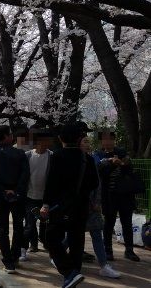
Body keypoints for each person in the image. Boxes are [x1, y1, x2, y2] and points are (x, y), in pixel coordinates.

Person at [41, 122, 99, 288]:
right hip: (81, 207)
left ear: (60, 138)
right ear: (80, 138)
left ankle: (69, 273)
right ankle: (73, 275)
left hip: (60, 206)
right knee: (76, 241)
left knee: (51, 238)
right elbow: (95, 183)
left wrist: (46, 204)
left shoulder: (57, 156)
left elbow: (51, 183)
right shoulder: (86, 158)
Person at [0, 125, 29, 274]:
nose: (12, 136)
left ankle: (8, 261)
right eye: (10, 134)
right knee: (18, 226)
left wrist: (2, 190)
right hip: (17, 195)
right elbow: (25, 175)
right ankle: (15, 255)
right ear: (5, 136)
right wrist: (15, 191)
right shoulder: (20, 154)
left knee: (2, 227)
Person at [93, 130, 141, 262]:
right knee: (109, 223)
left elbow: (129, 169)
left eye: (110, 139)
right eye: (105, 139)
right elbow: (99, 171)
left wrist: (123, 163)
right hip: (109, 195)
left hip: (125, 194)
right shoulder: (98, 154)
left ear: (114, 140)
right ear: (101, 141)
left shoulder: (122, 152)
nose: (108, 142)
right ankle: (108, 250)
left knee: (127, 222)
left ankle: (129, 250)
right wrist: (111, 163)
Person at [79, 136, 121, 279]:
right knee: (73, 234)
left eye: (88, 141)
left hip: (93, 205)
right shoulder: (73, 160)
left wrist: (97, 202)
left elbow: (97, 182)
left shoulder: (93, 159)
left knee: (97, 233)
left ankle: (103, 265)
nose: (88, 144)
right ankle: (58, 255)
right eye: (84, 141)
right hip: (79, 205)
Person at [20, 127, 53, 261]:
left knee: (47, 226)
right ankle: (23, 249)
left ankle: (51, 250)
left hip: (46, 198)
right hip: (30, 197)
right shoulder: (28, 155)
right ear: (39, 141)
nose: (49, 143)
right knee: (29, 225)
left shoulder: (51, 156)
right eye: (47, 140)